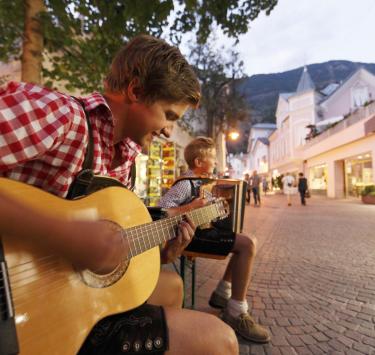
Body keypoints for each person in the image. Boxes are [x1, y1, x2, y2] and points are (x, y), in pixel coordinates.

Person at [0, 35, 238, 355]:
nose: (169, 131)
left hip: (65, 297)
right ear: (136, 91)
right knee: (220, 342)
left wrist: (162, 253)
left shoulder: (126, 162)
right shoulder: (62, 116)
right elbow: (83, 241)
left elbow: (113, 251)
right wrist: (65, 235)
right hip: (14, 297)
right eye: (168, 115)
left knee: (171, 285)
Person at [159, 137, 271, 344]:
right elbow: (162, 208)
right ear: (199, 163)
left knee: (244, 240)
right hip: (190, 237)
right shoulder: (186, 184)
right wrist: (189, 208)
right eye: (212, 158)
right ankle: (236, 311)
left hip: (202, 232)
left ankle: (223, 294)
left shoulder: (205, 183)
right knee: (247, 245)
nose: (215, 163)